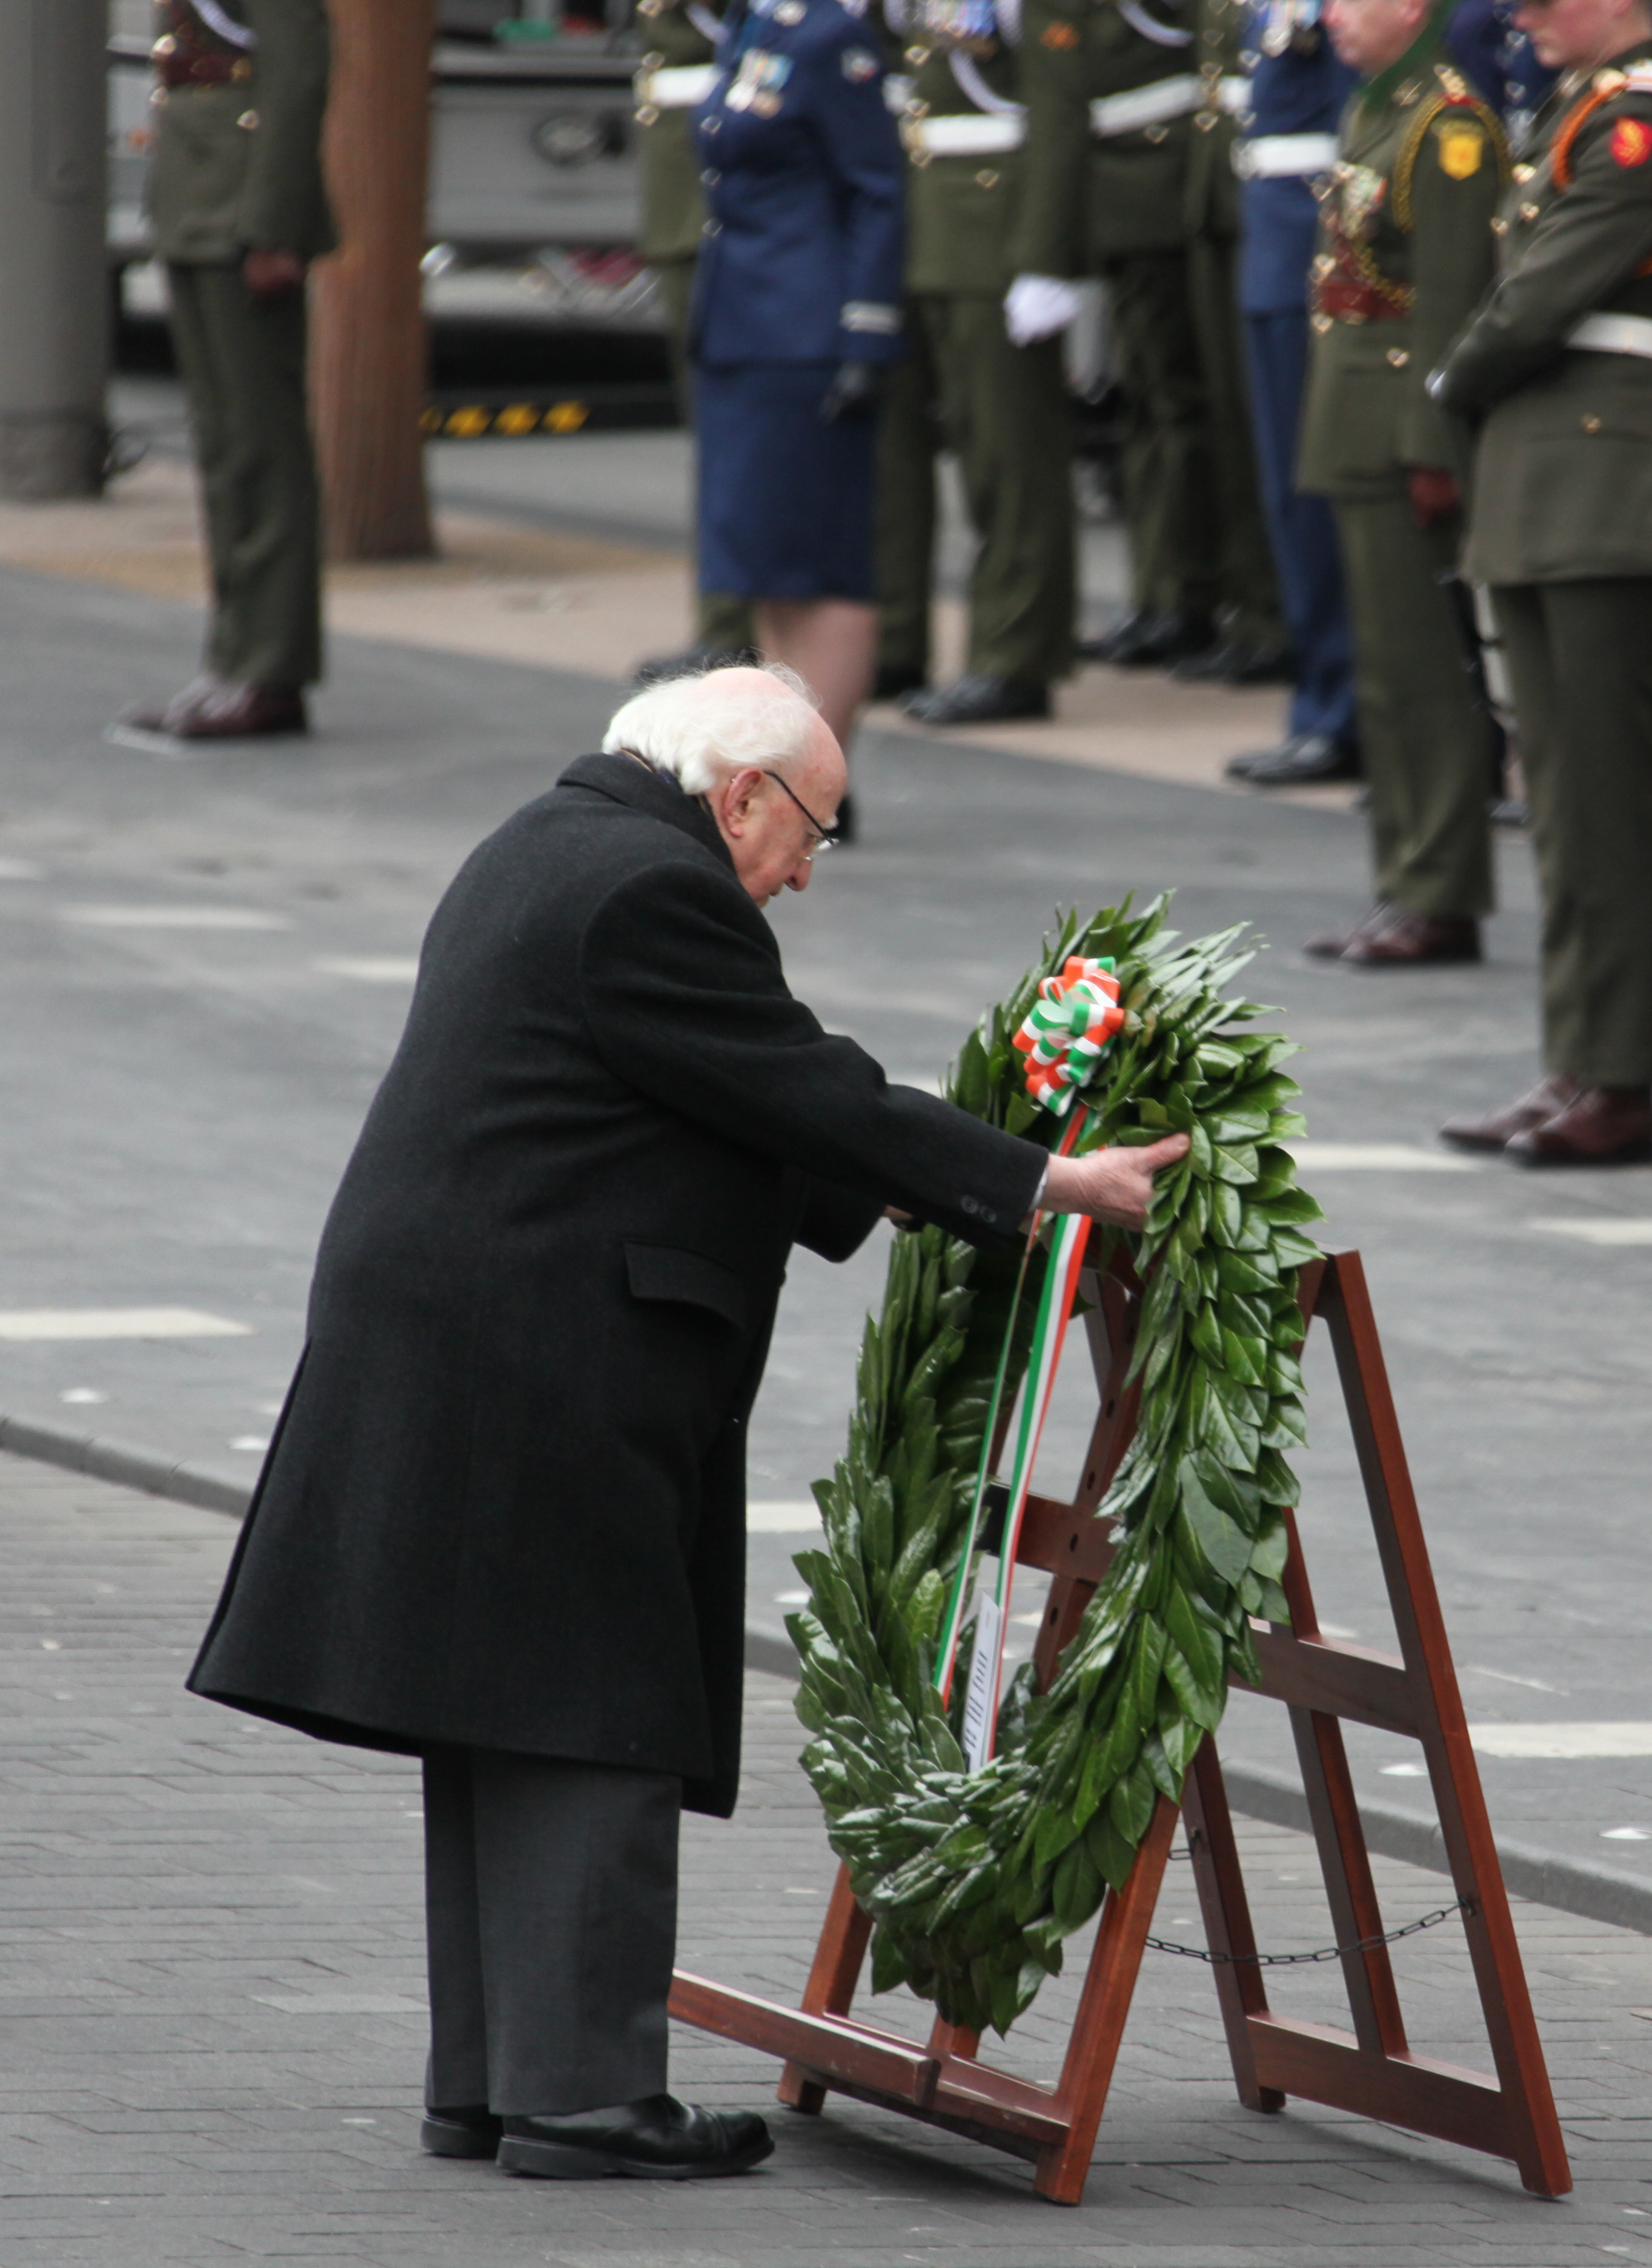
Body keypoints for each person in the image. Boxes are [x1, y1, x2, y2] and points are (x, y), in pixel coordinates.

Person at [188, 665, 1190, 2177]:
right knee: (592, 1692)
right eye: (813, 834)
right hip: (539, 1337)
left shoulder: (556, 842)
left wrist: (930, 1169)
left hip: (474, 1319)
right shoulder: (655, 890)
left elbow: (741, 1099)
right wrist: (1052, 1184)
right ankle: (584, 2093)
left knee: (497, 1704)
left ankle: (495, 2079)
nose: (804, 871)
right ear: (742, 794)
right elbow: (796, 1086)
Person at [1429, 0, 1652, 1167]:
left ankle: (1618, 1076)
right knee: (1561, 798)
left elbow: (1546, 293)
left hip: (1606, 483)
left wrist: (1456, 373)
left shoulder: (1646, 120)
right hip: (1552, 477)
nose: (1523, 14)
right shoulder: (1581, 110)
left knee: (1606, 799)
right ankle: (1577, 1061)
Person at [1296, 0, 1508, 958]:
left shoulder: (1447, 125)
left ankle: (1442, 889)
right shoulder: (1377, 106)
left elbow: (1454, 303)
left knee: (1426, 674)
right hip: (1355, 416)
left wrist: (1435, 446)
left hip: (1401, 426)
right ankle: (1405, 879)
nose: (1332, 16)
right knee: (1385, 671)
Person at [1023, 0, 1288, 674]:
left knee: (1198, 406)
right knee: (1153, 404)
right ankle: (1172, 591)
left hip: (1169, 177)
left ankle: (1225, 599)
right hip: (1144, 183)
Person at [689, 0, 907, 757]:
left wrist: (867, 333)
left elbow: (875, 188)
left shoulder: (831, 37)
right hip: (742, 323)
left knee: (819, 565)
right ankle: (790, 764)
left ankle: (818, 775)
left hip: (804, 331)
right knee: (768, 563)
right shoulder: (760, 26)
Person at [119, 0, 334, 748]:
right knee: (222, 450)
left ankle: (270, 670)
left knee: (260, 449)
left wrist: (272, 226)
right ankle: (234, 658)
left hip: (241, 206)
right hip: (199, 192)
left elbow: (298, 67)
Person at [878, 0, 1089, 726]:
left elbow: (1060, 112)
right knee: (894, 453)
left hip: (993, 242)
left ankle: (1015, 657)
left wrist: (1043, 261)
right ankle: (893, 638)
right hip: (924, 232)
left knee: (1009, 461)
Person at [1219, 0, 1374, 786]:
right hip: (1274, 242)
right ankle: (1323, 696)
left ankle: (1345, 706)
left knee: (1321, 500)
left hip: (1314, 244)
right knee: (1292, 499)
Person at [631, 0, 762, 685]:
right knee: (718, 429)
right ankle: (726, 626)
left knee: (736, 428)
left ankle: (734, 629)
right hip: (687, 184)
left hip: (720, 187)